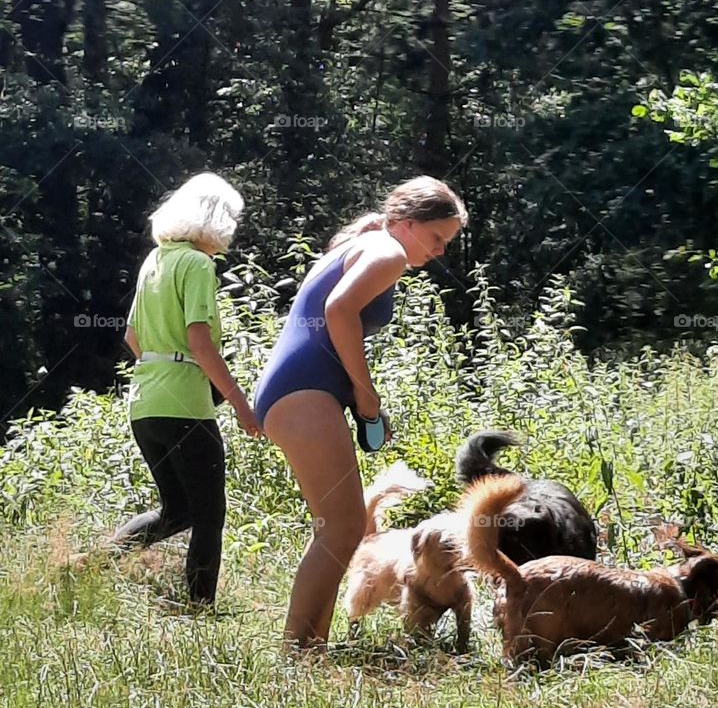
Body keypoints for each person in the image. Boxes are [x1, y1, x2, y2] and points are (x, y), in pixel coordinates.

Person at [255, 176, 467, 650]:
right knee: (344, 525)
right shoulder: (387, 250)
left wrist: (358, 400)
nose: (438, 252)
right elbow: (339, 310)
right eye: (436, 238)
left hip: (297, 391)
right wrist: (365, 393)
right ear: (407, 223)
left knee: (340, 527)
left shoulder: (367, 241)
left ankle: (311, 647)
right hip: (303, 392)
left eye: (446, 243)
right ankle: (297, 654)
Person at [113, 172, 261, 605]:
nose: (232, 230)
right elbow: (200, 342)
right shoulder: (198, 264)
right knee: (209, 514)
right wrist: (240, 404)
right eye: (231, 219)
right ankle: (200, 609)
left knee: (177, 509)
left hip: (145, 404)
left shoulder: (155, 260)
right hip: (186, 407)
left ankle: (89, 564)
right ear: (214, 220)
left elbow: (132, 338)